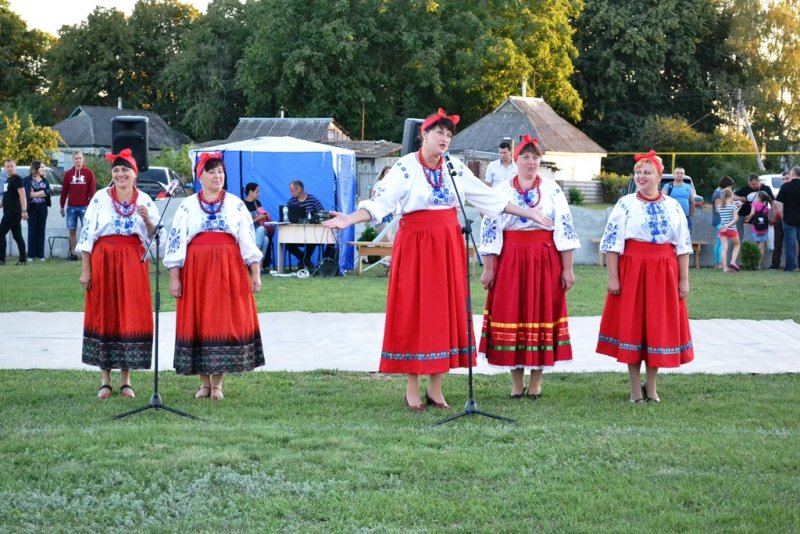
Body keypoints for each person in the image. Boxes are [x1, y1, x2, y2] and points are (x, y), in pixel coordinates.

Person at [323, 108, 553, 412]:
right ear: (424, 135)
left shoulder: (454, 168)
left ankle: (436, 387)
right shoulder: (405, 167)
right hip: (416, 245)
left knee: (444, 311)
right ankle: (412, 387)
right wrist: (349, 219)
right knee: (415, 310)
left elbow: (488, 198)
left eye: (448, 134)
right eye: (439, 133)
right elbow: (380, 204)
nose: (445, 138)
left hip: (447, 244)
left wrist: (528, 213)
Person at [478, 134, 580, 400]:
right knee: (513, 312)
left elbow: (565, 229)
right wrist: (489, 267)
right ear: (516, 160)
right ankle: (516, 381)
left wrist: (567, 268)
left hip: (545, 258)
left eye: (535, 157)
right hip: (510, 258)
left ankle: (536, 382)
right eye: (525, 156)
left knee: (541, 313)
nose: (531, 162)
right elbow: (490, 228)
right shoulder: (502, 190)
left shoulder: (552, 189)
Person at [165, 152, 264, 401]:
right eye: (211, 172)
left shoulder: (236, 204)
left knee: (222, 322)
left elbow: (248, 241)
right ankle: (203, 383)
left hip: (228, 268)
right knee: (200, 321)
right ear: (200, 177)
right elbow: (176, 242)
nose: (217, 176)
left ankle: (218, 384)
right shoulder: (187, 205)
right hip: (196, 270)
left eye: (220, 171)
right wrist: (175, 277)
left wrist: (255, 273)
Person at [596, 150, 693, 403]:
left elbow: (683, 246)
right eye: (638, 172)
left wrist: (683, 280)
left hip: (664, 272)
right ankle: (635, 389)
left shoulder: (673, 206)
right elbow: (612, 243)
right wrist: (613, 277)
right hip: (633, 270)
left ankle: (651, 386)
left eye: (647, 172)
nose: (641, 176)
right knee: (633, 327)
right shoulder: (625, 204)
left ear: (659, 177)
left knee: (656, 327)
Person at [76, 149, 159, 399]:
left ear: (135, 173)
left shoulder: (145, 200)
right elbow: (87, 235)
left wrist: (148, 221)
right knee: (106, 314)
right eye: (116, 170)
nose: (120, 174)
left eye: (125, 170)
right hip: (103, 259)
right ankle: (105, 380)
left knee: (129, 315)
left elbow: (157, 239)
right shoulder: (100, 198)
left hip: (133, 261)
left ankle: (126, 380)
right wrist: (86, 269)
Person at [61, 151, 96, 260]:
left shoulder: (89, 173)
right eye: (76, 158)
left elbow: (92, 191)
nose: (78, 160)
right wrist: (62, 206)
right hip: (71, 207)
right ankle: (74, 254)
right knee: (72, 230)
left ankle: (88, 254)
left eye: (80, 158)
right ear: (73, 160)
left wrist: (92, 206)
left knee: (87, 231)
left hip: (85, 207)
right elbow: (64, 191)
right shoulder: (68, 174)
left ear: (83, 159)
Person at [285, 180, 325, 270]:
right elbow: (286, 217)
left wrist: (318, 215)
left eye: (292, 190)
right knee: (288, 244)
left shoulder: (313, 200)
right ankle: (306, 260)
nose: (291, 193)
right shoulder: (291, 202)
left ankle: (303, 260)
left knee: (313, 239)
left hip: (310, 234)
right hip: (295, 234)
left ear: (299, 189)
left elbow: (322, 212)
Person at [0, 159, 28, 265]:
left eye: (11, 166)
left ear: (15, 167)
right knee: (17, 236)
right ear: (5, 168)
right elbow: (5, 198)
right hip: (8, 212)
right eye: (7, 166)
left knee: (1, 233)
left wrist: (24, 210)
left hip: (13, 212)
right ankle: (23, 260)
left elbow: (23, 195)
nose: (9, 168)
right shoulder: (8, 180)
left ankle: (1, 259)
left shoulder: (17, 179)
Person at [23, 161, 51, 262]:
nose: (43, 169)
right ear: (35, 168)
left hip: (43, 208)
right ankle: (31, 255)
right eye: (41, 167)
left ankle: (40, 255)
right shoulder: (27, 180)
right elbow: (28, 194)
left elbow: (47, 193)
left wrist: (35, 193)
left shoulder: (45, 180)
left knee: (41, 230)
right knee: (32, 231)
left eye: (44, 167)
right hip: (31, 208)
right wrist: (40, 192)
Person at [243, 182, 274, 272]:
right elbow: (243, 223)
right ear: (250, 192)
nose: (259, 194)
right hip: (247, 232)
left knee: (262, 231)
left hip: (258, 231)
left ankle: (256, 261)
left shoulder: (257, 203)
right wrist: (257, 218)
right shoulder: (242, 204)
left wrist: (265, 216)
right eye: (257, 192)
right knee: (264, 237)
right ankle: (259, 263)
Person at [774, 165, 800, 272]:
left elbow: (778, 203)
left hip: (789, 220)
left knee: (790, 244)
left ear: (792, 174)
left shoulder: (785, 186)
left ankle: (789, 267)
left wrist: (783, 216)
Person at [711, 176, 735, 269]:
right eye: (730, 186)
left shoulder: (719, 192)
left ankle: (717, 263)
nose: (731, 188)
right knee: (722, 242)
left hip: (719, 220)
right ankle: (720, 263)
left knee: (718, 242)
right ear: (726, 185)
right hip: (720, 221)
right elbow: (718, 209)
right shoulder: (719, 194)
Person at [662, 167, 695, 231]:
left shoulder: (688, 187)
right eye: (677, 173)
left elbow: (692, 203)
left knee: (686, 236)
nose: (679, 175)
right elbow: (661, 202)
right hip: (671, 217)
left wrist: (690, 217)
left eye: (681, 173)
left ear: (684, 175)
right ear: (674, 175)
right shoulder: (667, 186)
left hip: (685, 217)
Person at [769, 171, 791, 269]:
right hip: (779, 219)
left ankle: (791, 263)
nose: (785, 181)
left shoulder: (794, 190)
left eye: (787, 178)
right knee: (777, 242)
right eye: (783, 179)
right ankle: (775, 264)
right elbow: (775, 205)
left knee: (790, 242)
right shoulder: (781, 190)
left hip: (789, 220)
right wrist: (773, 218)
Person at [744, 190, 770, 268]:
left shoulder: (754, 204)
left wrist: (748, 219)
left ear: (759, 198)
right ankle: (759, 265)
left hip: (756, 227)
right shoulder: (766, 207)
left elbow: (752, 213)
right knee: (762, 247)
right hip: (764, 228)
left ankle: (754, 264)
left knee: (755, 246)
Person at [717, 189, 740, 272]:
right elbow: (736, 218)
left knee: (724, 248)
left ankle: (725, 268)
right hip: (731, 229)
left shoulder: (719, 206)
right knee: (737, 245)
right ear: (731, 196)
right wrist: (728, 225)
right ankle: (733, 261)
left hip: (722, 229)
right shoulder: (733, 206)